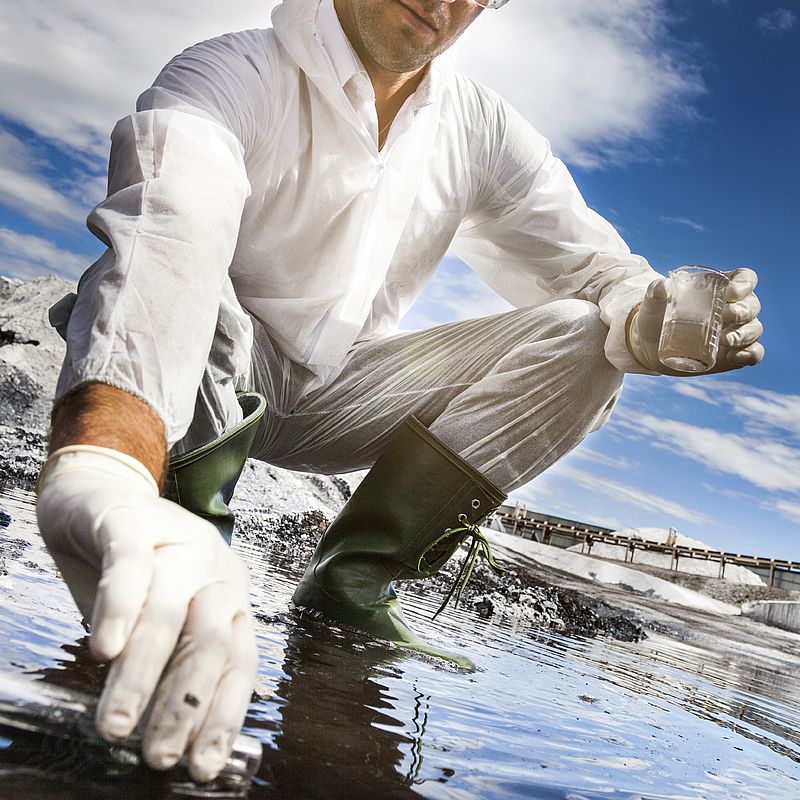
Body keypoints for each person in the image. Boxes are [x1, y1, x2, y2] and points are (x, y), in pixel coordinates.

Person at [35, 0, 764, 784]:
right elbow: (170, 226)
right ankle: (179, 538)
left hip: (347, 392)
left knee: (587, 335)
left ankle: (354, 583)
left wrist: (647, 315)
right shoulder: (232, 73)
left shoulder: (477, 127)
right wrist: (105, 464)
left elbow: (592, 267)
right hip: (209, 376)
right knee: (202, 285)